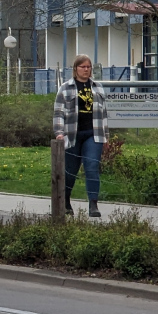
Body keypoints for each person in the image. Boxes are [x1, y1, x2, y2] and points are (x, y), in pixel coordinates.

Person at [53, 54, 109, 217]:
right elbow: (58, 112)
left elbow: (104, 113)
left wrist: (106, 135)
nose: (86, 70)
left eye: (88, 67)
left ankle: (93, 204)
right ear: (75, 69)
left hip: (94, 134)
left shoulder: (97, 87)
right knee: (70, 170)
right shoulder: (66, 88)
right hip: (72, 134)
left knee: (92, 167)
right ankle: (66, 201)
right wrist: (59, 133)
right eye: (83, 67)